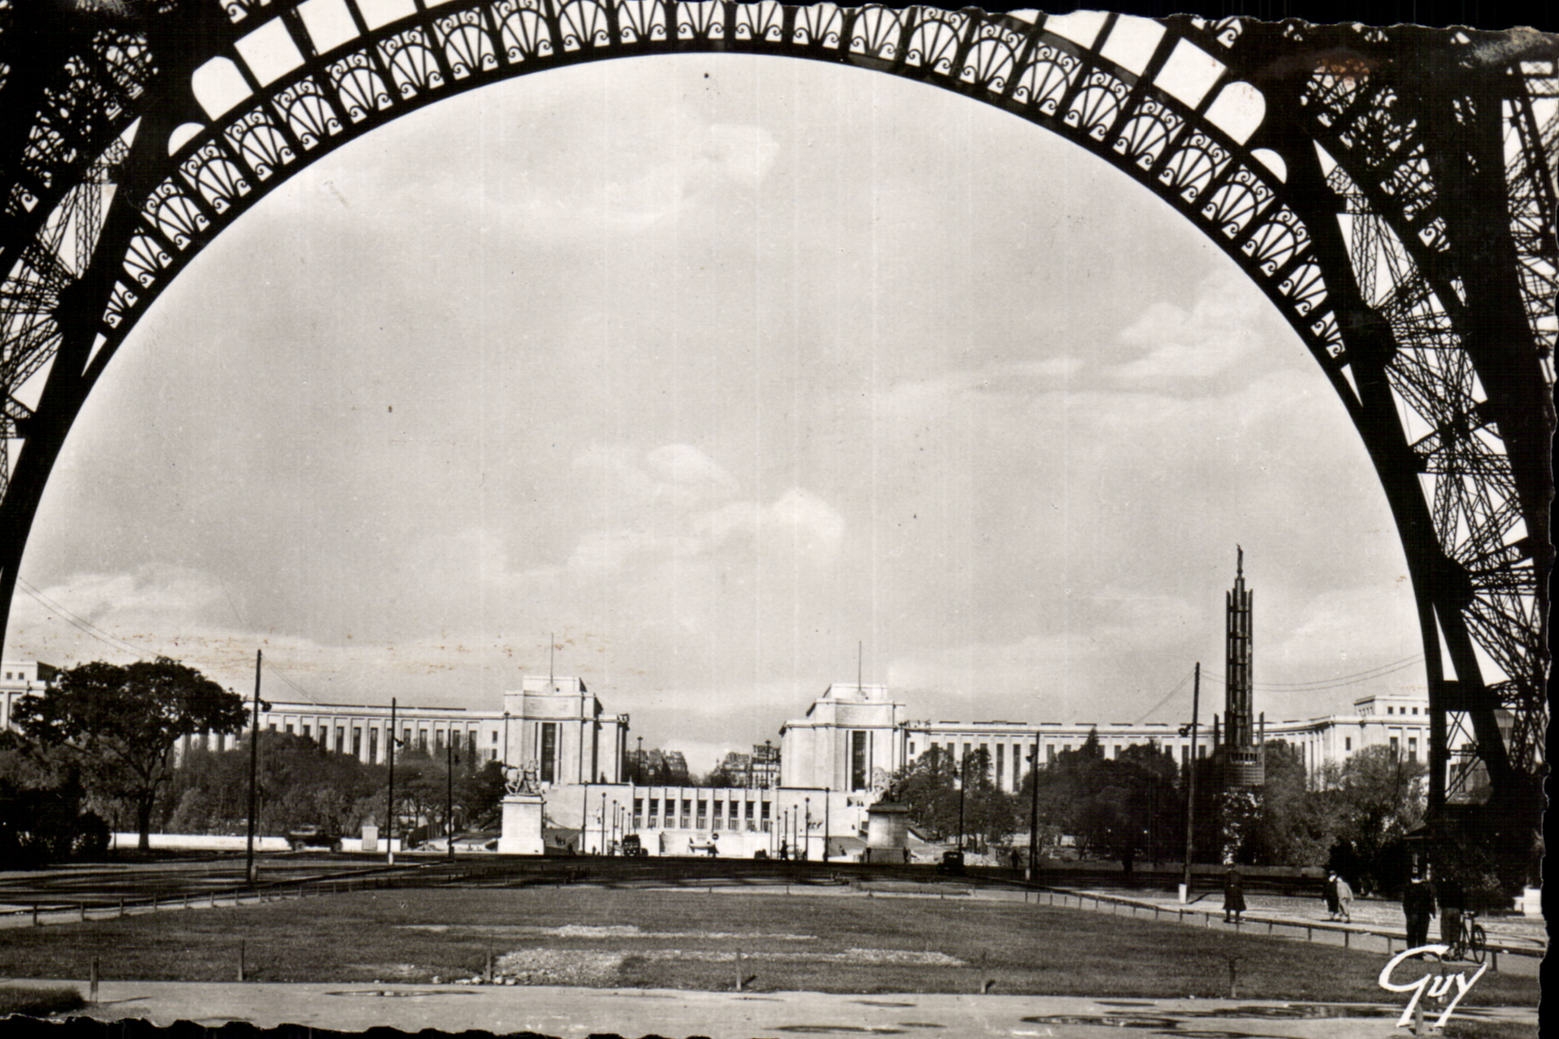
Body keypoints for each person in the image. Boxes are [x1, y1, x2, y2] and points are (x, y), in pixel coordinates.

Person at [1402, 865, 1437, 953]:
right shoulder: (1426, 888)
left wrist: (1407, 914)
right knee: (1422, 934)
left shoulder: (1408, 888)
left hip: (1412, 914)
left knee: (1411, 934)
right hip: (1423, 914)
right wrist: (1432, 912)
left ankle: (1411, 951)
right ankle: (1420, 952)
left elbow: (1405, 903)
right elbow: (1430, 901)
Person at [1438, 872, 1465, 955]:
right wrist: (1462, 911)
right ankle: (1455, 948)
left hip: (1446, 909)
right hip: (1456, 910)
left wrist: (1441, 905)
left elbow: (1440, 897)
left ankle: (1447, 950)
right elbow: (1462, 898)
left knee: (1446, 930)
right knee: (1455, 930)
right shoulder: (1459, 886)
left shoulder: (1444, 886)